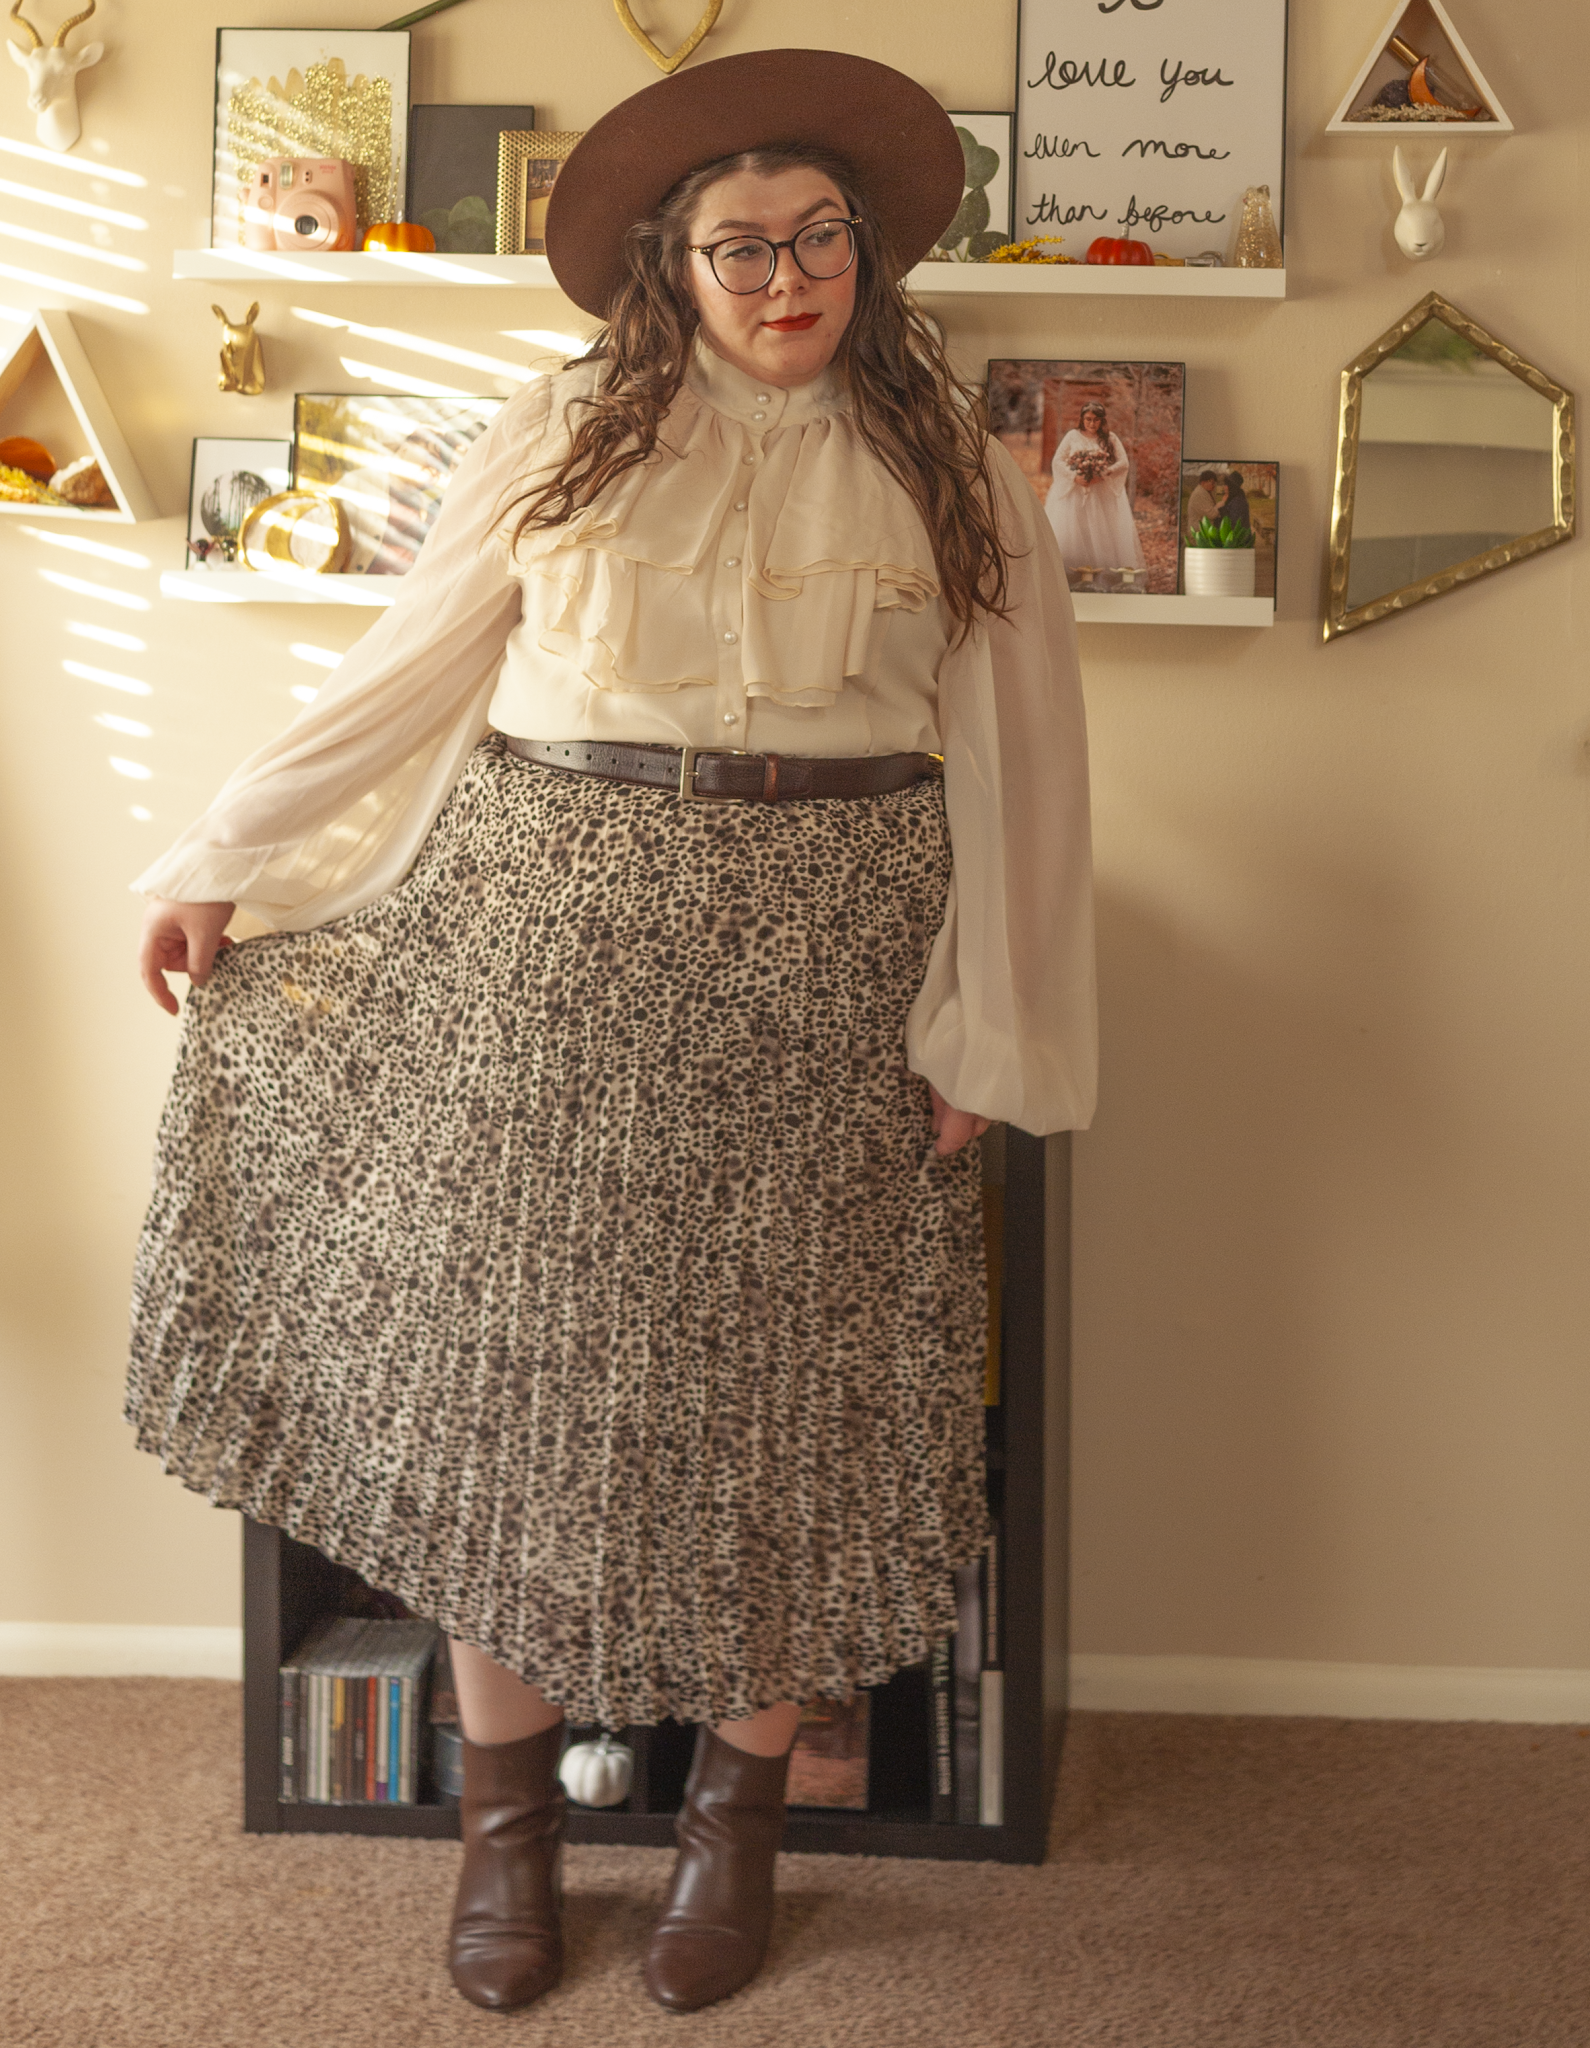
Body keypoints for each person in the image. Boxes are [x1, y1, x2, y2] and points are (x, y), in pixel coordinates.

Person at [125, 49, 1095, 2019]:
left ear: (871, 252)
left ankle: (733, 1835)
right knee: (523, 1405)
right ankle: (510, 1839)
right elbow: (412, 666)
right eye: (742, 243)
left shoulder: (958, 466)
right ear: (674, 260)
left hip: (831, 958)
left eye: (821, 235)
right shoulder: (561, 430)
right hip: (549, 940)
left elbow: (1022, 772)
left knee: (787, 1413)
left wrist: (989, 1030)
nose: (786, 275)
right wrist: (227, 845)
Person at [1044, 400, 1145, 577]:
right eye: (1088, 419)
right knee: (1076, 530)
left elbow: (1123, 463)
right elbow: (1057, 461)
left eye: (1096, 420)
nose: (1092, 424)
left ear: (1102, 421)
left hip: (1100, 493)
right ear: (1082, 419)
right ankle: (1073, 573)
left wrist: (1104, 472)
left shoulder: (1110, 438)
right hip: (1075, 491)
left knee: (1100, 532)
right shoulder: (1072, 436)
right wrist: (1074, 476)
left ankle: (1103, 574)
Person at [1185, 467, 1221, 535]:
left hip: (1202, 532)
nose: (1214, 486)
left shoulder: (1206, 492)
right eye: (1212, 483)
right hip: (1197, 533)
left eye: (1214, 483)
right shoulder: (1199, 494)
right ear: (1203, 482)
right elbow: (1212, 514)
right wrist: (1219, 505)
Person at [1220, 468, 1253, 535]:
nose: (1224, 487)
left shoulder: (1238, 502)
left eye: (1227, 485)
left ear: (1232, 487)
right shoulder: (1233, 498)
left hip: (1240, 541)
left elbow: (1234, 524)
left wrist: (1222, 506)